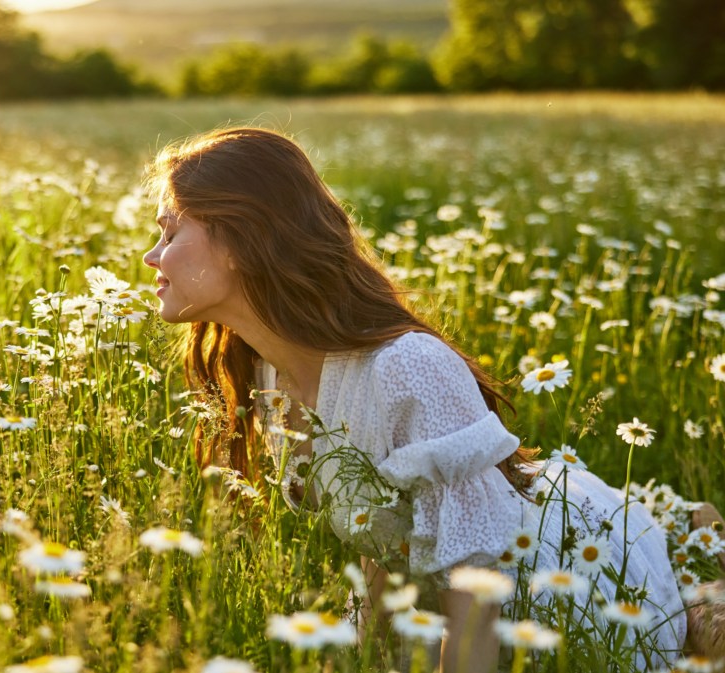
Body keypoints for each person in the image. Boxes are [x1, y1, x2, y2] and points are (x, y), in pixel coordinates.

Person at [141, 127, 700, 670]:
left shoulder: (407, 369)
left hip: (550, 594)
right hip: (434, 605)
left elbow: (478, 595)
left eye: (170, 233)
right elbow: (380, 529)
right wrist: (366, 651)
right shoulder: (265, 374)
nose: (152, 257)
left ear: (240, 239)